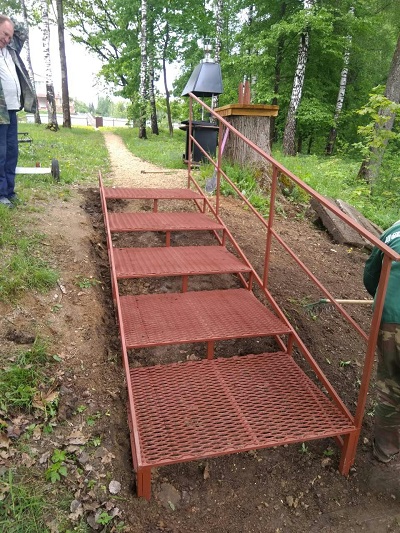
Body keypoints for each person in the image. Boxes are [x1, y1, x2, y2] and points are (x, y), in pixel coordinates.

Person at [363, 219, 400, 463]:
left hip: (389, 319)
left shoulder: (394, 231)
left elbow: (370, 277)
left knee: (391, 386)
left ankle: (385, 450)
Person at [0, 14, 36, 208]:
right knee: (1, 153)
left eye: (9, 36)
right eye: (4, 34)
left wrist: (8, 25)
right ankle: (0, 194)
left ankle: (9, 191)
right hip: (0, 111)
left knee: (12, 152)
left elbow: (23, 30)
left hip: (12, 110)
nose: (7, 39)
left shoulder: (11, 49)